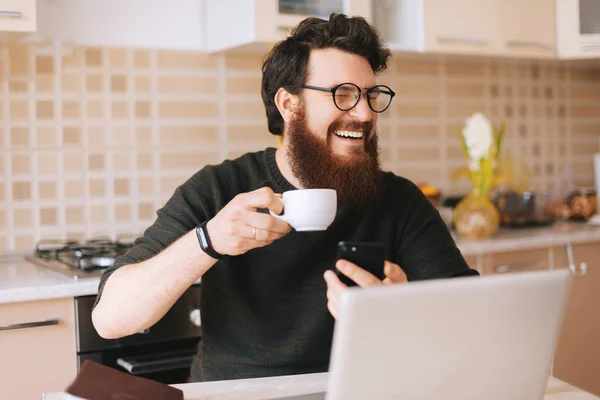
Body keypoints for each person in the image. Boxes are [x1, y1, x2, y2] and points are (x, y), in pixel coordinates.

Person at [91, 13, 479, 382]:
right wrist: (209, 240)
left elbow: (476, 324)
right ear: (288, 103)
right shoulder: (219, 189)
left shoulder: (399, 200)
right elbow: (110, 319)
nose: (364, 113)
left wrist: (410, 314)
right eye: (343, 94)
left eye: (370, 94)